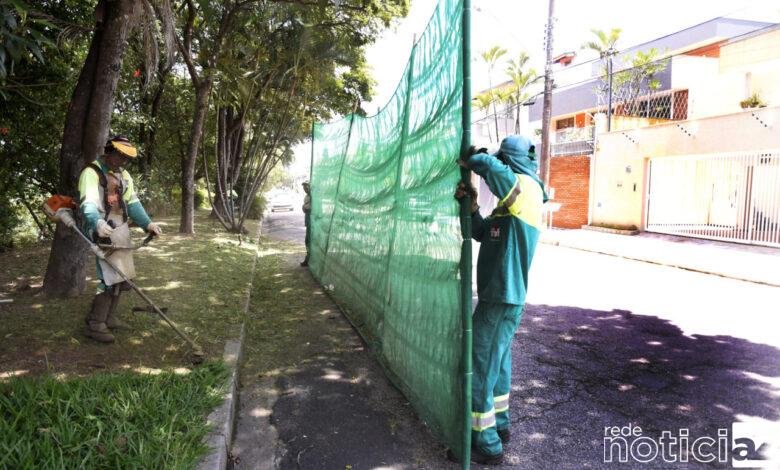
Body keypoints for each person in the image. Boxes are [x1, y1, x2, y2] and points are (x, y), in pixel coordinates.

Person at [454, 135, 547, 465]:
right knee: (498, 364)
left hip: (502, 295)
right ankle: (501, 425)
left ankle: (487, 442)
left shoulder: (526, 190)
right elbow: (484, 234)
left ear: (512, 162)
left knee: (479, 364)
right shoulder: (511, 204)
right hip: (502, 296)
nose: (502, 169)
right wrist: (474, 207)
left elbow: (495, 171)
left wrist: (475, 159)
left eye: (504, 162)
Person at [78, 135, 162, 343]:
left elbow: (132, 203)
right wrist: (96, 223)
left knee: (123, 276)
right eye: (120, 156)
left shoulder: (124, 175)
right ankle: (96, 324)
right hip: (101, 227)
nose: (123, 161)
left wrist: (147, 224)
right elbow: (88, 203)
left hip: (120, 226)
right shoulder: (91, 172)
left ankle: (109, 318)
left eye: (126, 158)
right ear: (109, 152)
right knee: (109, 275)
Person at [300, 181, 312, 267]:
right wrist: (304, 208)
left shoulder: (313, 197)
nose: (305, 189)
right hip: (308, 221)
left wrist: (305, 208)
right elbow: (305, 207)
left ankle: (308, 260)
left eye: (306, 187)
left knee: (309, 241)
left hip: (312, 222)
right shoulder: (307, 196)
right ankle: (308, 259)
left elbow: (311, 208)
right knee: (307, 241)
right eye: (304, 188)